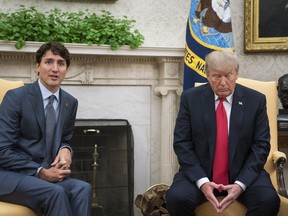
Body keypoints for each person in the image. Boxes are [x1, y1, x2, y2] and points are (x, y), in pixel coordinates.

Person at [166, 49, 280, 216]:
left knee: (268, 200)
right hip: (202, 172)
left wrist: (241, 183)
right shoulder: (191, 99)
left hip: (244, 171)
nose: (223, 82)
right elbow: (182, 143)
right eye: (216, 76)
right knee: (176, 198)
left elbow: (261, 145)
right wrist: (203, 182)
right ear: (207, 75)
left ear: (236, 73)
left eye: (228, 75)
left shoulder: (256, 100)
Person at [0, 41, 92, 216]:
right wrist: (40, 172)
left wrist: (66, 149)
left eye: (61, 63)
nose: (55, 69)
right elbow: (2, 150)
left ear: (67, 70)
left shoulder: (70, 102)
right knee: (55, 193)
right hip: (10, 175)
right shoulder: (16, 98)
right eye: (49, 62)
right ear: (37, 66)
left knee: (82, 189)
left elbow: (65, 138)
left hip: (45, 175)